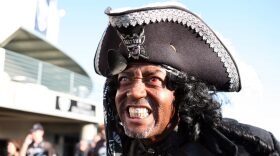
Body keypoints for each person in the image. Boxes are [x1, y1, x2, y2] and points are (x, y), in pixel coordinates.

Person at [93, 2, 280, 156]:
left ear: (182, 94)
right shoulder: (119, 147)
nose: (134, 91)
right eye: (125, 79)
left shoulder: (249, 148)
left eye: (153, 79)